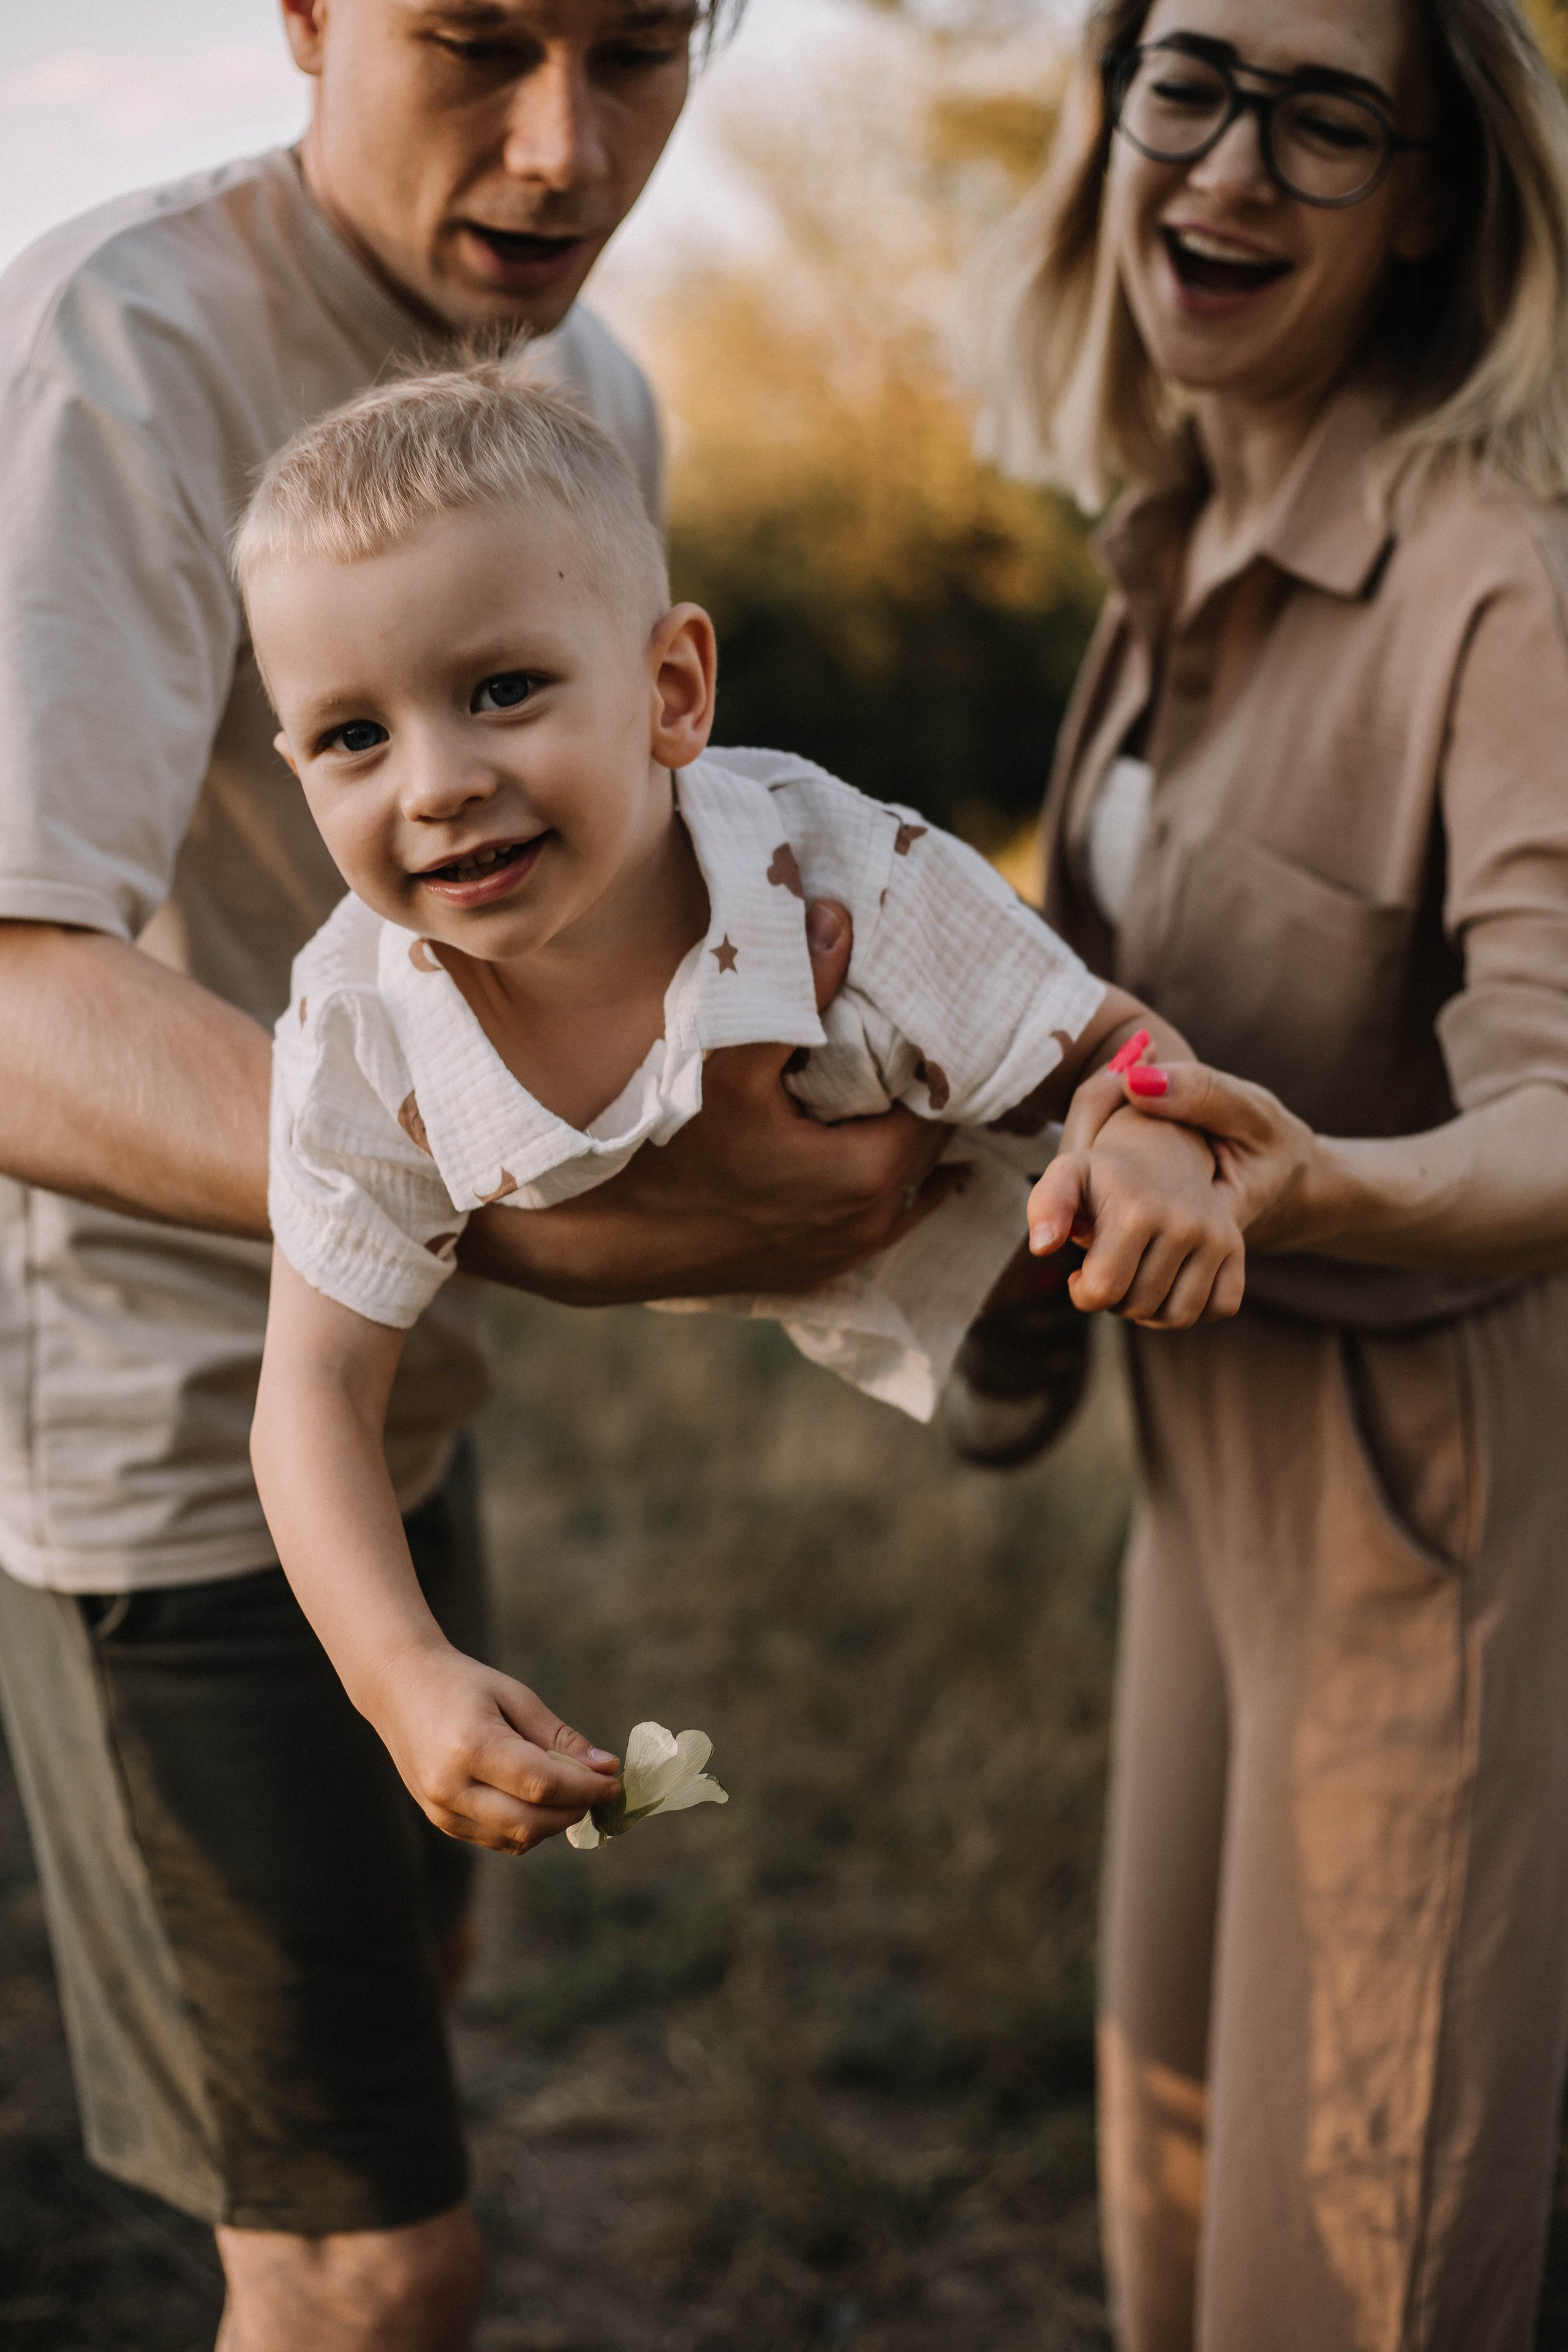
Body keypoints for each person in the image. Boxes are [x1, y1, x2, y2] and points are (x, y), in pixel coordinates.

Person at [0, 6, 972, 2346]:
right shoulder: (116, 350)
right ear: (313, 20)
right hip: (161, 1419)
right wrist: (549, 1222)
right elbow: (12, 988)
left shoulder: (587, 401)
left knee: (420, 1994)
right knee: (364, 2272)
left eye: (640, 54)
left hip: (402, 1394)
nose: (566, 148)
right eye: (477, 42)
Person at [234, 361, 1245, 1853]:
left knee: (1057, 1219)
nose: (436, 785)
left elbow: (1110, 1040)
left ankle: (1021, 1318)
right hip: (680, 1221)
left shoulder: (853, 880)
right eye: (352, 738)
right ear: (296, 769)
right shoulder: (358, 1032)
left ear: (671, 691)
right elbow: (311, 1393)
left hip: (944, 1150)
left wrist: (1146, 1129)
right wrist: (401, 1674)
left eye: (501, 690)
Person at [977, 0, 1568, 2344]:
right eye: (1193, 80)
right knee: (1178, 2197)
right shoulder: (1165, 536)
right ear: (1111, 99)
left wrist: (1323, 1192)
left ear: (1428, 192)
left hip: (1414, 1503)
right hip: (1189, 1487)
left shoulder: (1498, 576)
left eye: (1330, 120)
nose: (1229, 170)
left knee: (1355, 2264)